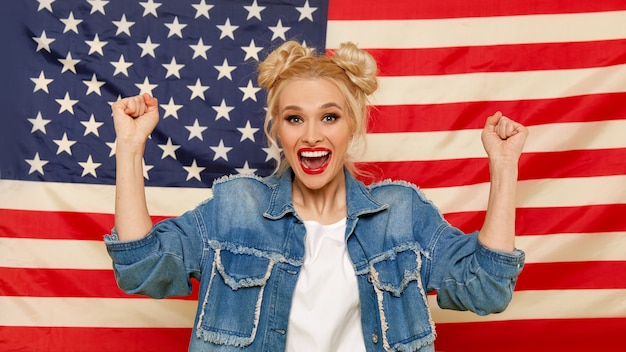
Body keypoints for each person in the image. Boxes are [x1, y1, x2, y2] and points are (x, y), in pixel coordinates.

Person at [105, 40, 528, 352]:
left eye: (329, 116)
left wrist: (504, 166)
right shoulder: (236, 207)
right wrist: (129, 147)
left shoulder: (401, 214)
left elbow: (487, 289)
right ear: (277, 129)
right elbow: (141, 268)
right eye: (294, 118)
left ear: (353, 126)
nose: (311, 135)